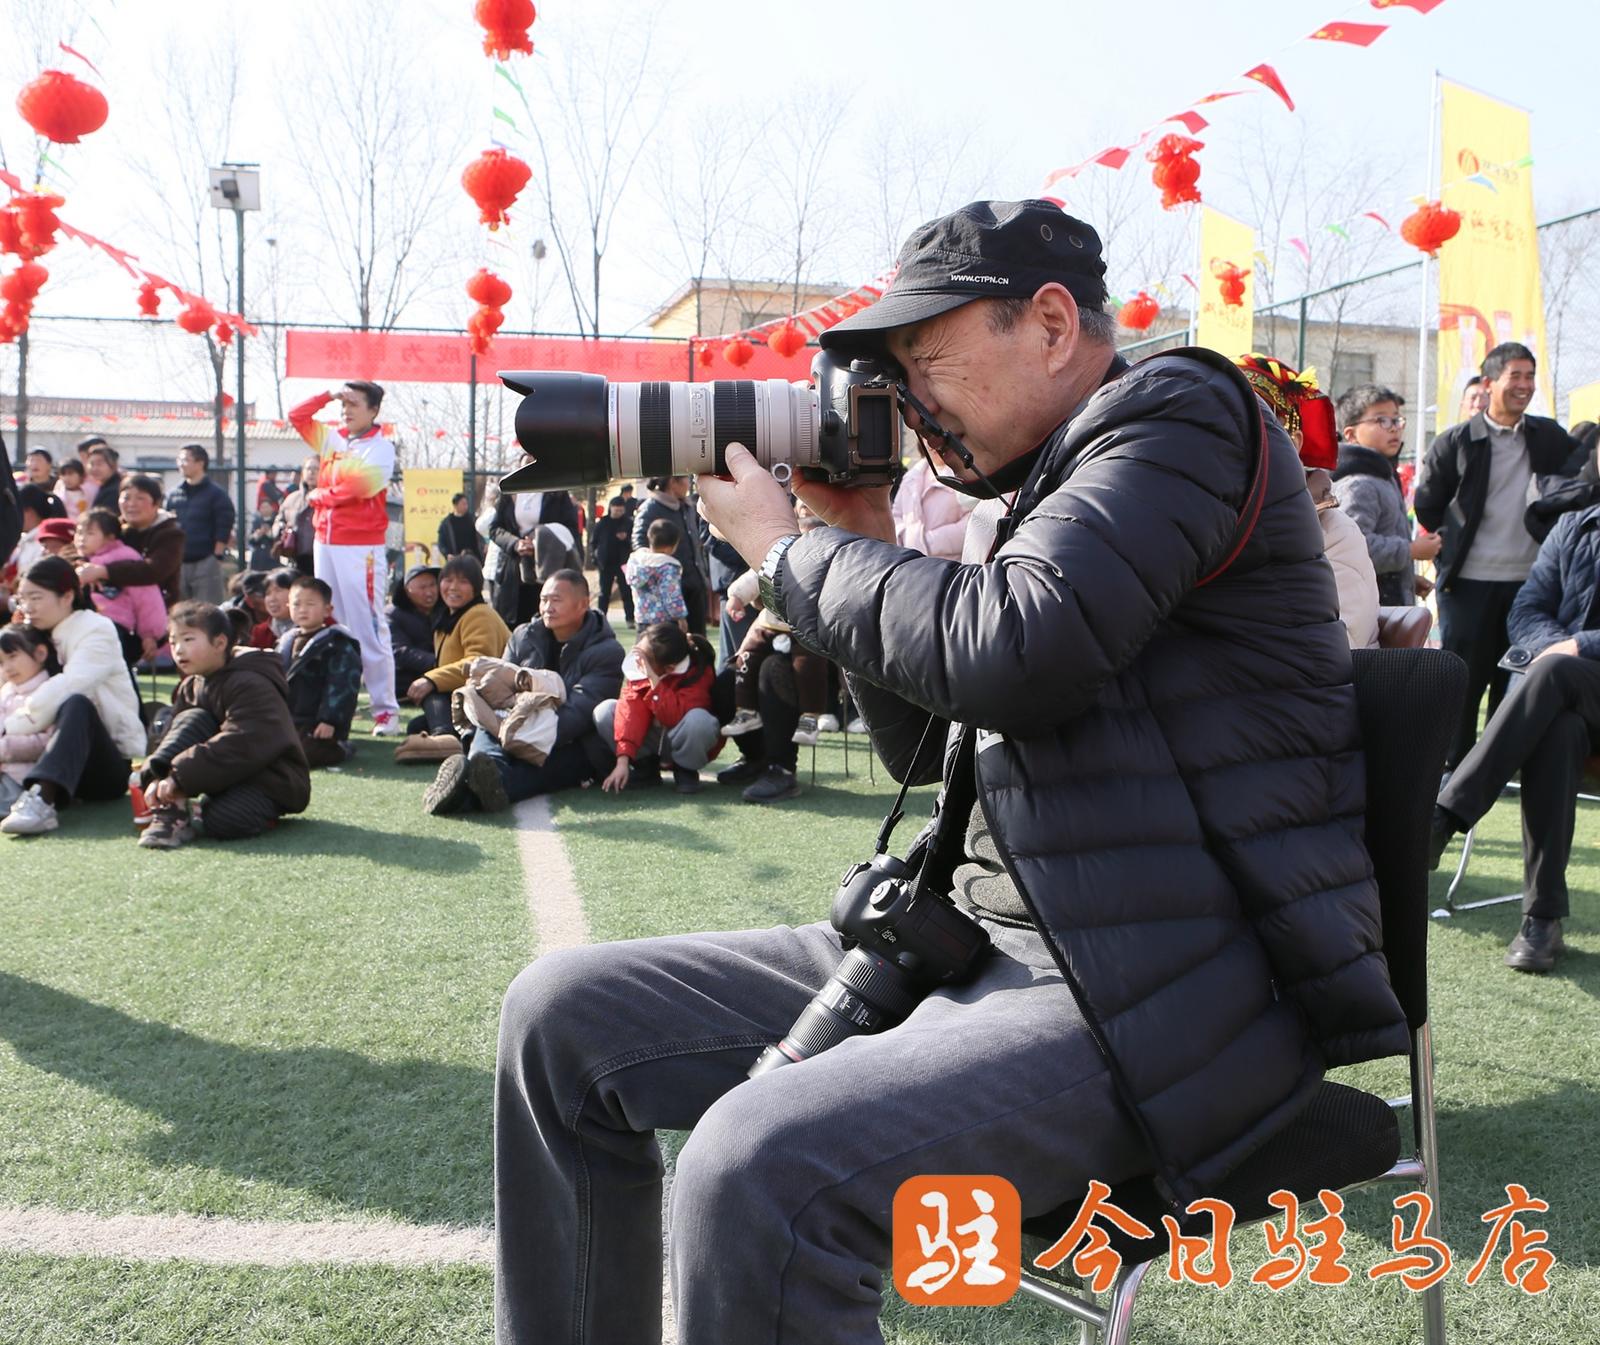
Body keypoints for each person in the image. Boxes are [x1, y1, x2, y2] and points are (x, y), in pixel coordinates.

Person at [492, 199, 1408, 1345]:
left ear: (1052, 324)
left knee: (755, 1162)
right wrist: (865, 536)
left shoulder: (1183, 415)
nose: (908, 400)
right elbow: (925, 746)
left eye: (923, 359)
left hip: (1159, 991)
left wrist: (786, 551)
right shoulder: (1057, 478)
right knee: (560, 1018)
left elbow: (1014, 648)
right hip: (978, 942)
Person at [1427, 496, 1600, 973]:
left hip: (1567, 675)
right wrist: (1558, 648)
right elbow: (1526, 610)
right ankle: (1541, 921)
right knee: (1558, 730)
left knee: (1552, 676)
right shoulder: (1575, 527)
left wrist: (1578, 646)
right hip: (1569, 695)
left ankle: (1443, 817)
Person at [1416, 342, 1585, 767]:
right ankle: (1452, 769)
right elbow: (1428, 504)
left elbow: (1579, 477)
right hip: (1467, 584)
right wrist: (1453, 543)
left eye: (1530, 376)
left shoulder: (1549, 437)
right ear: (1489, 382)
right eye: (1516, 376)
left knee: (1516, 683)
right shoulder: (1456, 441)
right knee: (1463, 683)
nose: (1524, 385)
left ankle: (1499, 767)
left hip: (1530, 586)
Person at [425, 569, 621, 815]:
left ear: (583, 604)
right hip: (509, 723)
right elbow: (496, 689)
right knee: (487, 730)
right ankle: (480, 774)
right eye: (543, 599)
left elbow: (577, 715)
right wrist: (507, 728)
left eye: (556, 600)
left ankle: (464, 793)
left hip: (567, 740)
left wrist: (521, 734)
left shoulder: (606, 652)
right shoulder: (523, 635)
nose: (547, 607)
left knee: (539, 771)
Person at [137, 600, 311, 848]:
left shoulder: (250, 682)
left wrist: (179, 777)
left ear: (219, 643)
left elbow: (243, 742)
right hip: (223, 771)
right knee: (191, 719)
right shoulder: (191, 685)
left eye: (188, 639)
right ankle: (170, 811)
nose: (178, 650)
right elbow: (173, 736)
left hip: (270, 778)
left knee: (224, 821)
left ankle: (196, 805)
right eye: (173, 642)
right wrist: (157, 775)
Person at [1235, 355, 1379, 649]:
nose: (1240, 441)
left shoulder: (1334, 533)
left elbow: (1337, 645)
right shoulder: (1200, 515)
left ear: (1294, 442)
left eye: (1258, 427)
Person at [0, 557, 145, 837]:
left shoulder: (97, 629)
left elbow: (71, 685)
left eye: (36, 598)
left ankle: (42, 800)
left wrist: (9, 728)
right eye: (22, 599)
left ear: (67, 596)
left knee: (76, 703)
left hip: (102, 767)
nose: (27, 607)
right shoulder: (33, 632)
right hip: (36, 753)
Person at [288, 380, 401, 734]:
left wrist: (318, 496)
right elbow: (296, 416)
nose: (346, 410)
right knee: (329, 622)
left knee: (368, 626)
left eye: (354, 404)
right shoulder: (332, 438)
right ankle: (334, 707)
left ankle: (385, 710)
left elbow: (359, 488)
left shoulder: (381, 448)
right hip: (325, 541)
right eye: (344, 404)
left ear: (373, 410)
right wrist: (327, 395)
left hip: (360, 548)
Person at [1333, 385, 1437, 608]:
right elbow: (1353, 547)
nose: (1394, 429)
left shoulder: (1382, 475)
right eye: (1382, 420)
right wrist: (1410, 550)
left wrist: (1407, 580)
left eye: (1397, 420)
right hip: (1367, 611)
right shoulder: (1359, 484)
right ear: (1350, 434)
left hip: (1386, 602)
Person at [398, 554, 511, 749]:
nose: (453, 587)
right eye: (448, 580)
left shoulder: (479, 614)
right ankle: (456, 738)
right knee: (416, 726)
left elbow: (479, 663)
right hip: (465, 699)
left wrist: (431, 679)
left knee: (433, 692)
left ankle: (444, 739)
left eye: (463, 581)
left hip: (492, 702)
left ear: (476, 586)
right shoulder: (448, 617)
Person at [595, 623, 721, 795]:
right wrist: (623, 760)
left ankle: (686, 770)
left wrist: (654, 681)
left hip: (681, 739)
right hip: (652, 738)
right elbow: (630, 711)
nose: (637, 659)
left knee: (700, 721)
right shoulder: (641, 666)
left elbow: (673, 717)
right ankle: (646, 767)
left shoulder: (698, 671)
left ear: (670, 668)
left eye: (643, 657)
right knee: (605, 711)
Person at [276, 575, 364, 769]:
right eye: (297, 604)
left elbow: (342, 685)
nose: (302, 609)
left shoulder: (337, 644)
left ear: (327, 610)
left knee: (302, 755)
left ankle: (342, 748)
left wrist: (329, 720)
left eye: (310, 604)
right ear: (288, 606)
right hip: (287, 718)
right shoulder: (285, 641)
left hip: (317, 723)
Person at [76, 475, 184, 610]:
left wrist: (104, 572)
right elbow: (79, 549)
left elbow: (154, 570)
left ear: (156, 503)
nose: (132, 504)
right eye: (126, 498)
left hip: (156, 609)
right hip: (111, 607)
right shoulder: (112, 527)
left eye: (140, 498)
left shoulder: (170, 534)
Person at [77, 509, 168, 667]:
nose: (81, 538)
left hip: (113, 626)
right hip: (85, 625)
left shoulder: (124, 559)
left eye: (90, 533)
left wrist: (149, 634)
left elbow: (146, 599)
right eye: (79, 532)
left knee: (115, 670)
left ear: (110, 537)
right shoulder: (80, 561)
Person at [487, 486, 583, 628]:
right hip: (512, 573)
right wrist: (515, 543)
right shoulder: (509, 490)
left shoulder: (557, 493)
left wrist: (539, 541)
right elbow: (495, 529)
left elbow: (571, 529)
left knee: (545, 623)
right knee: (512, 628)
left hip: (547, 569)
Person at [631, 475, 709, 635]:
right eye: (686, 479)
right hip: (668, 586)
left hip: (694, 582)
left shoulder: (687, 506)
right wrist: (659, 565)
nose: (690, 483)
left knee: (697, 638)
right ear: (673, 482)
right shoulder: (650, 508)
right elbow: (639, 543)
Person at [167, 444, 237, 605]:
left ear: (200, 463)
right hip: (178, 563)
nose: (180, 464)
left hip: (206, 562)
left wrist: (216, 557)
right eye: (179, 459)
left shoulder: (217, 495)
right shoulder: (173, 495)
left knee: (207, 610)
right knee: (179, 610)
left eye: (185, 460)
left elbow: (224, 527)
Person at [0, 624, 56, 815]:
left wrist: (4, 748)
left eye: (12, 657)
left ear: (40, 653)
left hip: (21, 778)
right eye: (1, 662)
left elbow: (49, 742)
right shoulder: (6, 692)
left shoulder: (50, 691)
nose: (7, 668)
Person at [892, 454, 971, 561]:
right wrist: (904, 538)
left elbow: (972, 522)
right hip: (911, 564)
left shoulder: (964, 476)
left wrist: (928, 542)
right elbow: (896, 514)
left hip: (949, 566)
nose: (932, 447)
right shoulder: (912, 476)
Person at [623, 518, 688, 631]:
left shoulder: (636, 562)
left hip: (642, 619)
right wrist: (680, 617)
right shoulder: (667, 567)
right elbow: (671, 595)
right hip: (664, 622)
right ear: (669, 548)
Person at [389, 563, 442, 689]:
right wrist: (439, 662)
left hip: (443, 673)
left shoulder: (446, 610)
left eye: (432, 585)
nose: (429, 592)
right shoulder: (393, 614)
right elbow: (400, 652)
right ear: (407, 591)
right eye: (422, 587)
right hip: (406, 679)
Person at [591, 496, 635, 625]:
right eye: (616, 510)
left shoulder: (628, 523)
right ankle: (601, 619)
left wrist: (626, 539)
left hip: (624, 562)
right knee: (604, 593)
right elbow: (594, 542)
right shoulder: (602, 523)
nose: (618, 513)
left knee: (626, 592)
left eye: (621, 510)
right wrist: (595, 558)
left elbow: (635, 542)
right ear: (610, 508)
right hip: (606, 563)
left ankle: (630, 618)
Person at [273, 456, 319, 575]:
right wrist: (281, 529)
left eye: (316, 469)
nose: (311, 472)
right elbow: (279, 520)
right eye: (308, 468)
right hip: (295, 558)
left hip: (320, 558)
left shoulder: (330, 499)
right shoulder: (292, 499)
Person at [253, 568, 296, 649]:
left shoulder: (313, 627)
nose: (272, 599)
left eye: (278, 590)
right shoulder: (260, 632)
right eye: (268, 593)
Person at [437, 492, 486, 562]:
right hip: (455, 560)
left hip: (474, 559)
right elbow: (441, 542)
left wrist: (484, 545)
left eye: (466, 504)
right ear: (455, 505)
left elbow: (481, 535)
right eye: (463, 504)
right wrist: (446, 554)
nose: (466, 506)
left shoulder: (472, 520)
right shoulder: (446, 523)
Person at [81, 442, 122, 513]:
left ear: (112, 465)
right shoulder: (104, 486)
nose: (94, 468)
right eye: (92, 464)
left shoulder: (113, 491)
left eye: (99, 464)